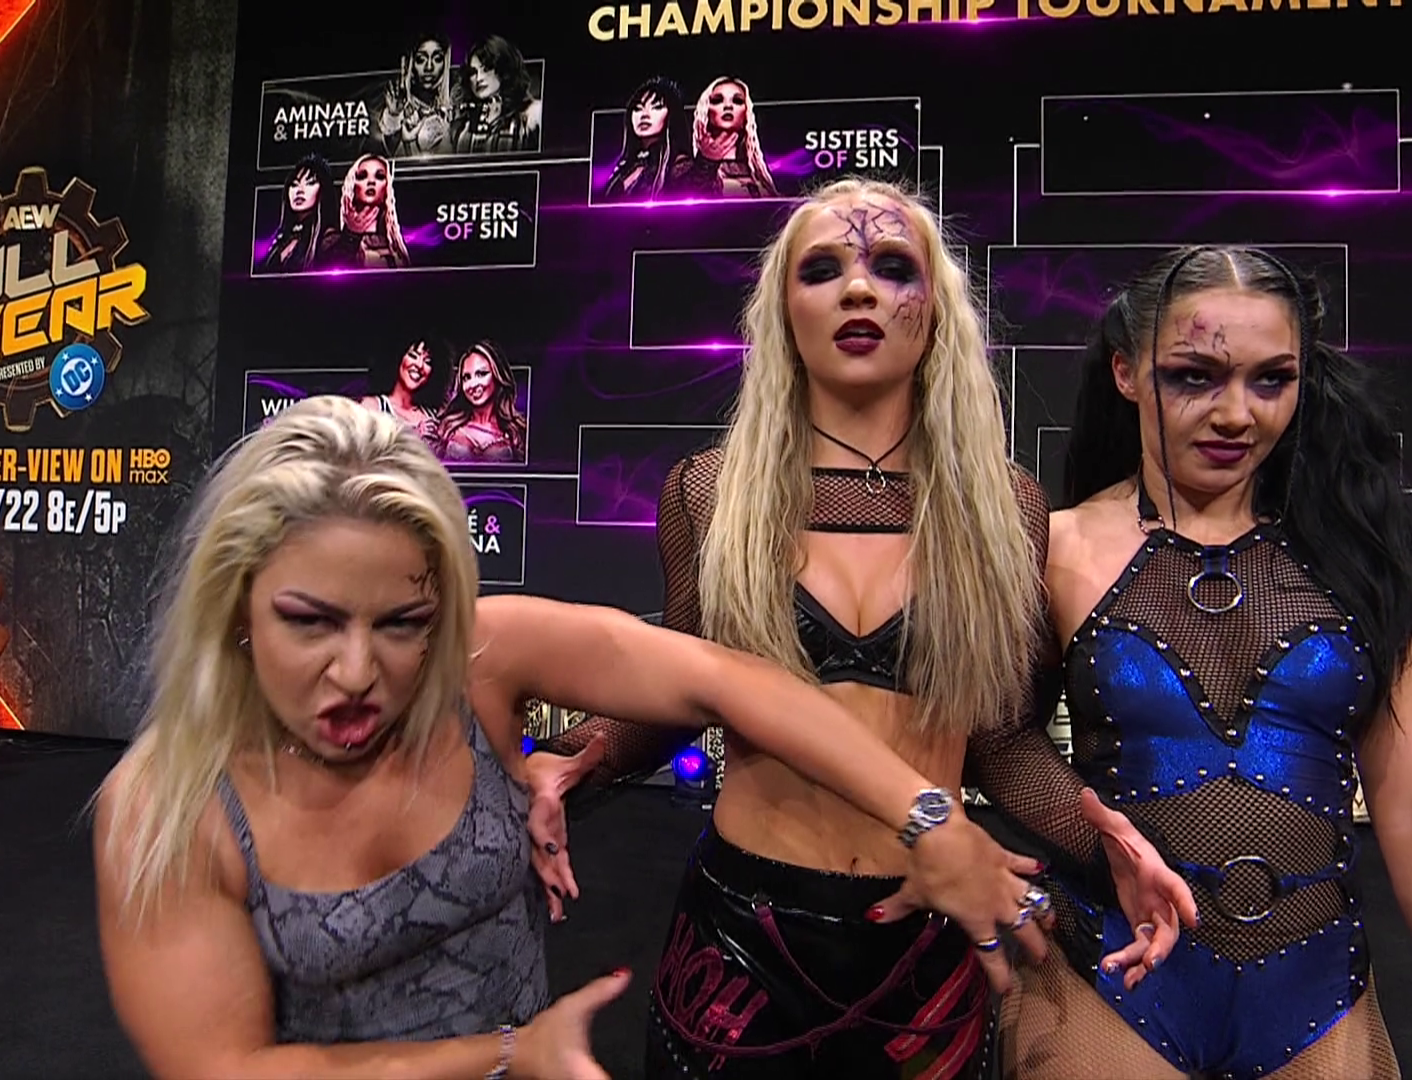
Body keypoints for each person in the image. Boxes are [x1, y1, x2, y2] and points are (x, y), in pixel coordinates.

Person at [89, 395, 1053, 1080]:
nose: (356, 670)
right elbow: (223, 1065)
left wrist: (929, 819)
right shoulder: (169, 803)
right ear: (237, 606)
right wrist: (508, 1055)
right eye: (310, 622)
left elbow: (730, 680)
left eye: (402, 624)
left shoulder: (479, 656)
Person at [527, 178, 1197, 1079]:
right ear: (782, 310)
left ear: (936, 310)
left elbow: (1001, 742)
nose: (857, 290)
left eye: (891, 267)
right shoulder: (710, 493)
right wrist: (582, 754)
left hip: (927, 943)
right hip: (740, 942)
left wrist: (1106, 848)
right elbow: (678, 697)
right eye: (822, 270)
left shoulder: (1004, 509)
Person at [998, 246, 1412, 1079]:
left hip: (1315, 992)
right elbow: (997, 741)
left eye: (1271, 380)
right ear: (1126, 373)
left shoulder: (1361, 559)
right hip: (1109, 974)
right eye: (1194, 376)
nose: (1235, 414)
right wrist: (1097, 838)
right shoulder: (1052, 547)